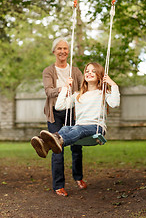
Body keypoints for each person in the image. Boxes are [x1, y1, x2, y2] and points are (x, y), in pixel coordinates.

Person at [32, 62, 120, 182]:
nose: (89, 73)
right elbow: (59, 106)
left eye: (93, 71)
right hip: (80, 127)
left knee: (77, 129)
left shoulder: (104, 93)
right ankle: (46, 145)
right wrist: (65, 88)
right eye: (87, 71)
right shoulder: (78, 95)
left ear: (100, 75)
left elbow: (115, 103)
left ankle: (58, 141)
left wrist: (112, 84)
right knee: (65, 129)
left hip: (96, 127)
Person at [31, 37, 85, 197]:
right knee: (57, 149)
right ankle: (59, 185)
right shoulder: (48, 71)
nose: (62, 51)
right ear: (54, 51)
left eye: (65, 48)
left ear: (68, 52)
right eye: (59, 48)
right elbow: (49, 91)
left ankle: (78, 177)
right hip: (55, 113)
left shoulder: (75, 71)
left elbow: (84, 87)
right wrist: (63, 88)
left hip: (73, 112)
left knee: (77, 147)